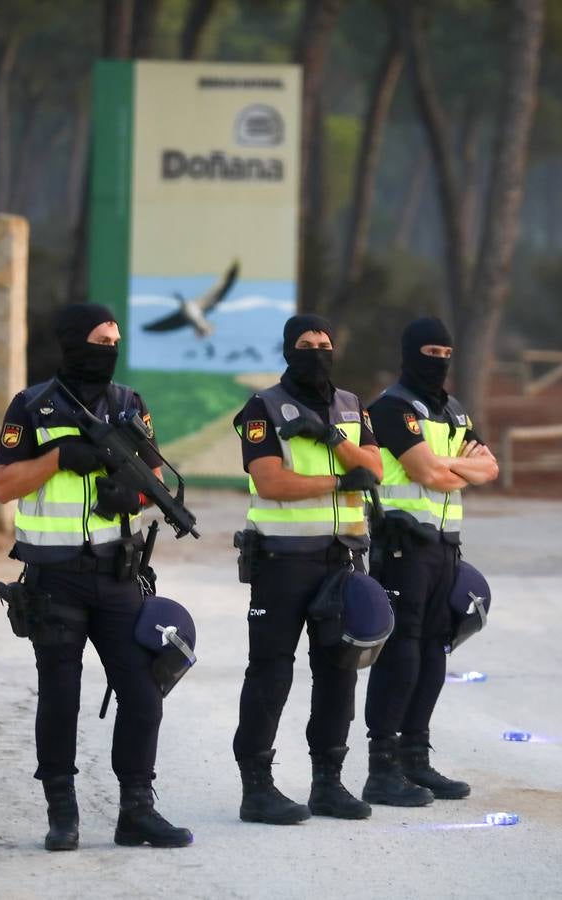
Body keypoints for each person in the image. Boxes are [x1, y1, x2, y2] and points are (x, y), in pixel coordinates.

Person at [0, 303, 192, 850]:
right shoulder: (32, 405)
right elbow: (4, 484)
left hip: (118, 575)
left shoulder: (129, 404)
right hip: (54, 579)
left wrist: (135, 493)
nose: (111, 348)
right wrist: (59, 459)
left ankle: (137, 810)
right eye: (102, 339)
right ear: (74, 341)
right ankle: (62, 812)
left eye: (116, 340)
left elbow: (153, 475)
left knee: (144, 691)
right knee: (60, 694)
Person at [231, 314, 384, 825]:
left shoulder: (350, 405)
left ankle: (328, 783)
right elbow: (271, 481)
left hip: (341, 560)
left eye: (324, 343)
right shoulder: (263, 407)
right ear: (288, 351)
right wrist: (343, 480)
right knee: (271, 672)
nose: (317, 351)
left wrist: (328, 438)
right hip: (282, 561)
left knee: (339, 673)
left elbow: (376, 471)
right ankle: (257, 788)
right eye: (306, 344)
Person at [362, 316, 499, 806]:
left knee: (434, 652)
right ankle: (382, 769)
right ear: (409, 353)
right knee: (400, 653)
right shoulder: (391, 408)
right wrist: (458, 469)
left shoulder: (454, 411)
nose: (438, 362)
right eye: (430, 353)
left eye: (446, 354)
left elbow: (490, 467)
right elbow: (424, 471)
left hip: (445, 547)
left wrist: (449, 469)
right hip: (402, 545)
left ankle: (416, 760)